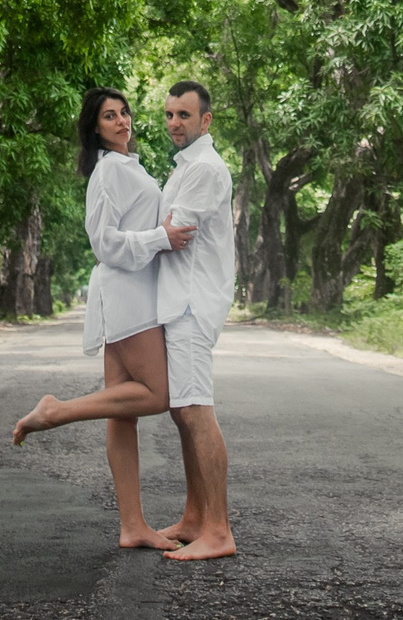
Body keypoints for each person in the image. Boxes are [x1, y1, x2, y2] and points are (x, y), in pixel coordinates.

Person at [11, 87, 196, 550]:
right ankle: (56, 411)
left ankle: (132, 525)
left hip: (132, 292)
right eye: (109, 116)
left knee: (122, 413)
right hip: (129, 294)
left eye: (124, 112)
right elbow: (104, 243)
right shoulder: (108, 171)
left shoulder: (126, 166)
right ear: (95, 128)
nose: (121, 121)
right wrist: (160, 237)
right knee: (157, 395)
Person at [146, 79, 236, 560]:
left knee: (196, 408)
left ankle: (219, 530)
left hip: (192, 302)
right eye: (169, 115)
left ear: (205, 120)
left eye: (184, 115)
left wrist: (136, 236)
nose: (174, 123)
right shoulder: (185, 168)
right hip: (176, 300)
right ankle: (194, 516)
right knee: (183, 410)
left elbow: (176, 232)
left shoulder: (204, 169)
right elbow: (166, 230)